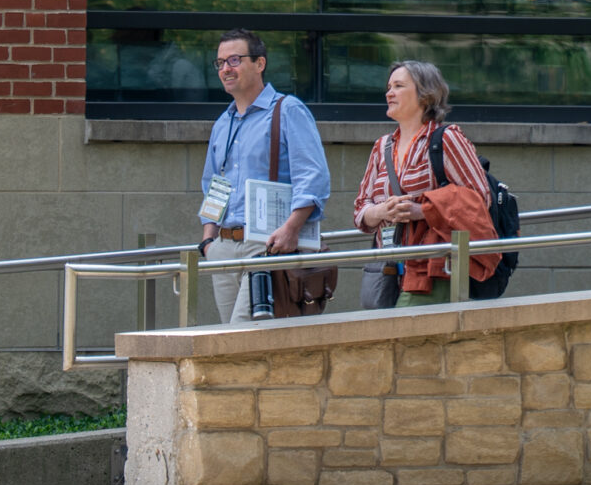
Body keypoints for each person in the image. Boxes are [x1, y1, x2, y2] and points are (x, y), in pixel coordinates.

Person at [196, 29, 330, 322]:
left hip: (267, 244)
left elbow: (313, 176)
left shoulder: (287, 110)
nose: (226, 69)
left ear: (260, 63)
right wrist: (209, 241)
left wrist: (292, 228)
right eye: (220, 63)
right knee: (229, 339)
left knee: (246, 332)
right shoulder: (223, 123)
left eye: (234, 59)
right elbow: (213, 185)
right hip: (224, 249)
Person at [350, 60, 499, 308]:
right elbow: (359, 211)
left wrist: (423, 211)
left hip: (430, 269)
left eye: (398, 86)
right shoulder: (382, 146)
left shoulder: (446, 139)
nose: (389, 93)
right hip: (386, 269)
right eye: (389, 86)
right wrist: (381, 211)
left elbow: (479, 199)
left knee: (406, 338)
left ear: (424, 94)